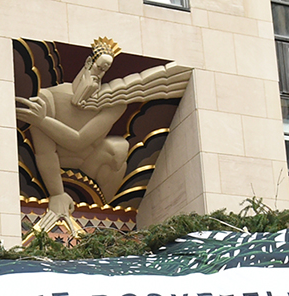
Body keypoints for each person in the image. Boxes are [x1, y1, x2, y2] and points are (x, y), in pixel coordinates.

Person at [15, 37, 191, 217]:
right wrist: (57, 193)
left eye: (105, 71)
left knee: (118, 147)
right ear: (89, 62)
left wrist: (42, 121)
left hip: (92, 164)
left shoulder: (113, 103)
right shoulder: (48, 97)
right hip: (54, 169)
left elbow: (79, 141)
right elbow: (45, 152)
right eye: (99, 68)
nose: (98, 75)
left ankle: (108, 213)